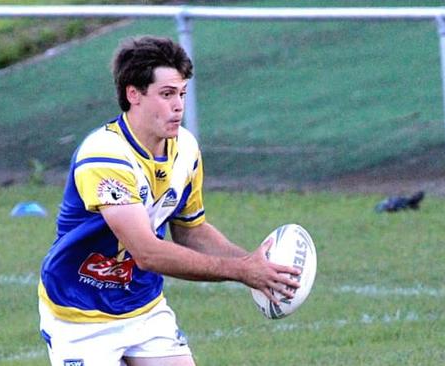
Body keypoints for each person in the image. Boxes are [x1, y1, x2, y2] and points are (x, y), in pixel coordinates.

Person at [38, 35, 300, 366]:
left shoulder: (186, 149)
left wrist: (258, 265)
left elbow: (191, 230)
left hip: (143, 307)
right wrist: (241, 271)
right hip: (79, 314)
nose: (178, 105)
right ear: (133, 94)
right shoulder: (105, 157)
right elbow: (146, 252)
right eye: (166, 94)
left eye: (182, 93)